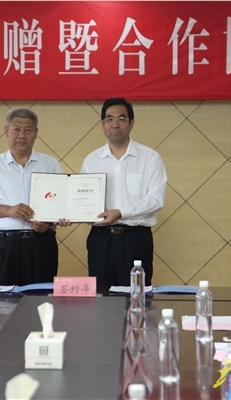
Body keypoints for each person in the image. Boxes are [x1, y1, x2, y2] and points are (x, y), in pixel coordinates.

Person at [80, 98, 167, 288]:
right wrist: (72, 214)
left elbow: (156, 199)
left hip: (135, 239)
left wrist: (120, 212)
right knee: (101, 297)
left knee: (136, 295)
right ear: (103, 124)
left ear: (131, 123)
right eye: (109, 119)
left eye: (121, 118)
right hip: (100, 239)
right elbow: (83, 199)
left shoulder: (150, 158)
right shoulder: (92, 160)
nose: (115, 124)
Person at [0, 108, 63, 286]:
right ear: (6, 131)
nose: (22, 135)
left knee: (41, 298)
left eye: (28, 130)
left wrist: (49, 223)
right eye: (16, 129)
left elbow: (60, 203)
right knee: (3, 299)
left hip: (42, 244)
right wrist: (9, 210)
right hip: (5, 245)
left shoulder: (50, 164)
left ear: (36, 133)